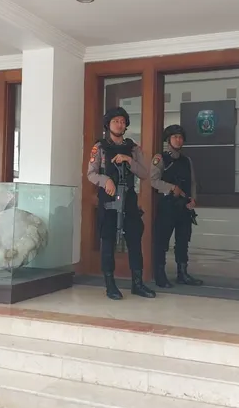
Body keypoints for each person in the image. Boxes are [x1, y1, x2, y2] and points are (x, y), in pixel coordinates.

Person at [87, 107, 156, 300]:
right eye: (115, 121)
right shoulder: (99, 147)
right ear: (108, 125)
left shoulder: (133, 148)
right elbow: (91, 174)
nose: (119, 124)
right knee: (108, 240)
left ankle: (137, 283)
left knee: (134, 239)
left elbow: (144, 173)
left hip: (129, 198)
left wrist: (128, 160)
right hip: (108, 199)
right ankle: (110, 284)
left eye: (122, 121)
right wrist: (105, 181)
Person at [150, 124, 203, 287]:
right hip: (167, 205)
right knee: (162, 241)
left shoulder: (187, 160)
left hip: (184, 207)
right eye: (174, 137)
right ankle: (160, 275)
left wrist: (193, 199)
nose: (178, 140)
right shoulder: (160, 158)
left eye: (180, 137)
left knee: (183, 241)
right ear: (168, 140)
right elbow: (153, 181)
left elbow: (192, 182)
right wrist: (172, 188)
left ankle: (183, 273)